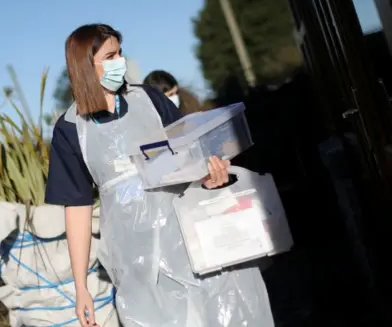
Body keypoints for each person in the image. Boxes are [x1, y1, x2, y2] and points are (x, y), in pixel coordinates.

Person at [45, 23, 273, 327]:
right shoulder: (70, 129)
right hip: (136, 257)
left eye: (120, 53)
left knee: (226, 312)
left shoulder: (149, 100)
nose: (120, 62)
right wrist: (81, 287)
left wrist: (210, 175)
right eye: (111, 56)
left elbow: (192, 154)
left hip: (191, 236)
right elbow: (77, 207)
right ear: (86, 65)